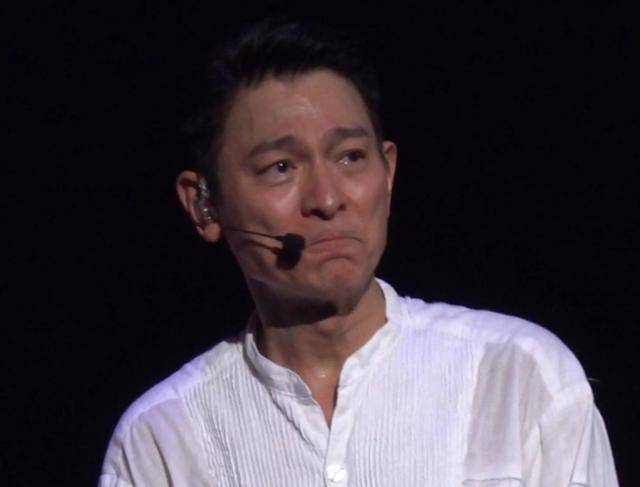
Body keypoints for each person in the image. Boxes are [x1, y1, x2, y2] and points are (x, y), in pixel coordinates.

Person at [99, 19, 618, 486]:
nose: (327, 200)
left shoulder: (517, 375)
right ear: (203, 205)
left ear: (388, 173)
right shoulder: (163, 439)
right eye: (281, 167)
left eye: (350, 157)